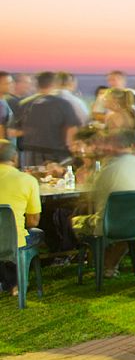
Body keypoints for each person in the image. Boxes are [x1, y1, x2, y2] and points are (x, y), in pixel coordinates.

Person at [71, 130, 135, 278]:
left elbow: (94, 198)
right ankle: (109, 266)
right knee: (124, 225)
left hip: (111, 225)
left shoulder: (109, 169)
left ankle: (100, 264)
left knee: (76, 221)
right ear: (133, 146)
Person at [14, 72, 84, 168]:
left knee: (33, 179)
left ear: (37, 85)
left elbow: (13, 131)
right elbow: (72, 130)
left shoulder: (24, 104)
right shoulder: (63, 104)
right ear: (54, 84)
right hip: (56, 153)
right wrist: (73, 149)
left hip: (30, 154)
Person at [0, 141, 42, 296]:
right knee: (26, 234)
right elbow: (33, 221)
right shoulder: (28, 180)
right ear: (15, 157)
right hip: (13, 243)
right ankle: (16, 283)